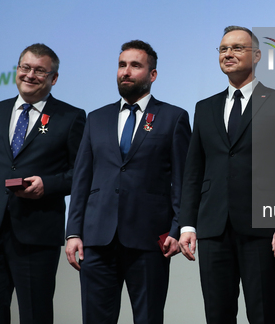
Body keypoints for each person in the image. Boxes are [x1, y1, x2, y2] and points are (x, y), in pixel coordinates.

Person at [178, 26, 275, 324]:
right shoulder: (205, 107)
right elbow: (194, 170)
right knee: (217, 315)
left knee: (262, 314)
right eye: (223, 49)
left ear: (257, 55)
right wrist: (187, 224)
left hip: (262, 228)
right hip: (212, 228)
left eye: (237, 48)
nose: (228, 54)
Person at [65, 40, 191, 324]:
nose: (126, 71)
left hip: (148, 239)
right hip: (97, 238)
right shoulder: (96, 119)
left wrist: (177, 226)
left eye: (135, 65)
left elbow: (184, 180)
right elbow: (82, 180)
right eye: (122, 65)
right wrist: (73, 232)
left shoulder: (174, 118)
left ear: (152, 74)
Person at [0, 43, 86, 324]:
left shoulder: (71, 117)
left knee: (35, 313)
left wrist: (48, 185)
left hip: (37, 231)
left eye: (39, 70)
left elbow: (80, 174)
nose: (30, 75)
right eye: (25, 67)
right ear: (17, 70)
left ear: (53, 78)